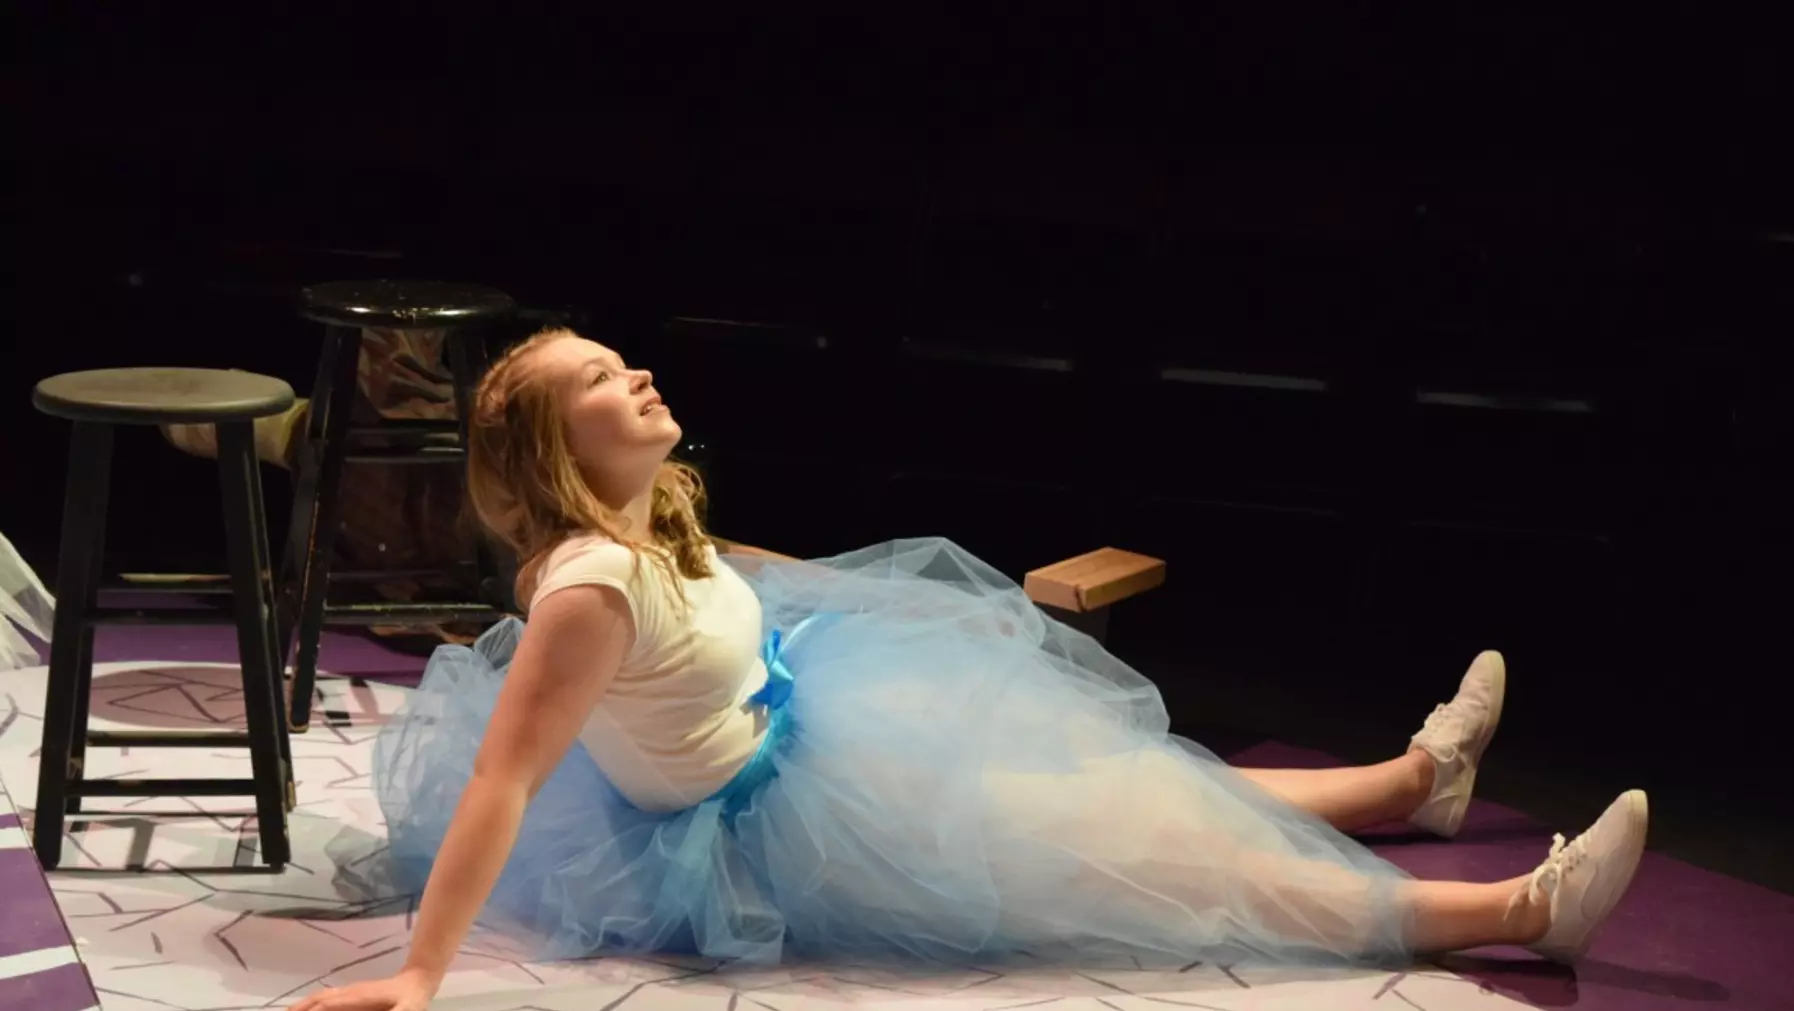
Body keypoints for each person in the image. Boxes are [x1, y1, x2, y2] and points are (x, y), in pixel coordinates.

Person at [291, 329, 1649, 1011]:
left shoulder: (654, 514)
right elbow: (502, 777)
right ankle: (1521, 912)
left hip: (816, 721)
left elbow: (731, 591)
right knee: (1158, 857)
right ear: (553, 448)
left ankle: (1417, 781)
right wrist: (422, 973)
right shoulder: (585, 587)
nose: (638, 371)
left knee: (1132, 791)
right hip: (779, 827)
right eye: (601, 375)